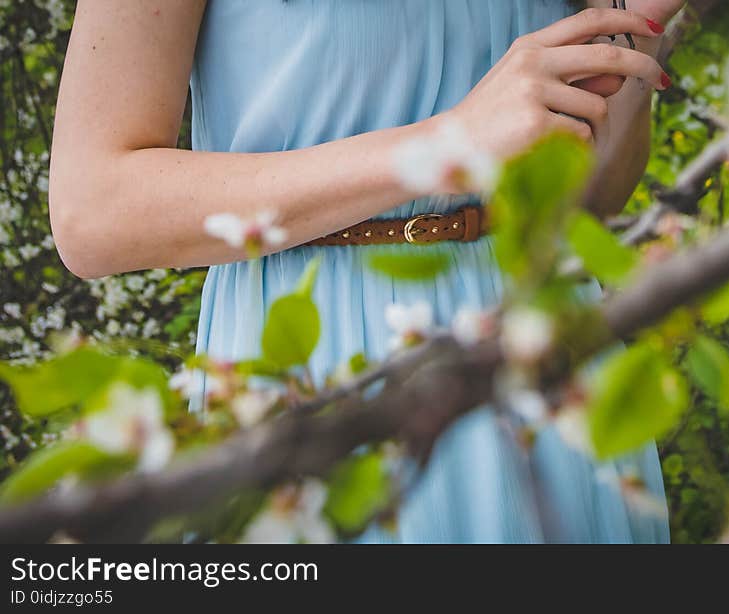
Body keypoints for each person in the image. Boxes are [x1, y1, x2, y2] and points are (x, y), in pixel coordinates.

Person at [49, 0, 684, 543]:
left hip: (553, 355)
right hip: (328, 362)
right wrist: (442, 145)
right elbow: (94, 208)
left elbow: (595, 195)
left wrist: (640, 26)